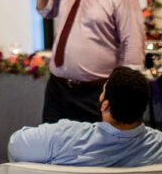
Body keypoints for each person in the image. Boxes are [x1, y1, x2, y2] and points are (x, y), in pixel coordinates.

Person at [37, 0, 144, 123]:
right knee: (51, 148)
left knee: (92, 151)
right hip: (57, 89)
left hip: (95, 94)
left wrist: (123, 96)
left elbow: (133, 47)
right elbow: (45, 12)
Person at [8, 66, 162, 166]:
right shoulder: (158, 145)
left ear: (105, 105)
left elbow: (15, 147)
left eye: (103, 91)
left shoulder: (62, 136)